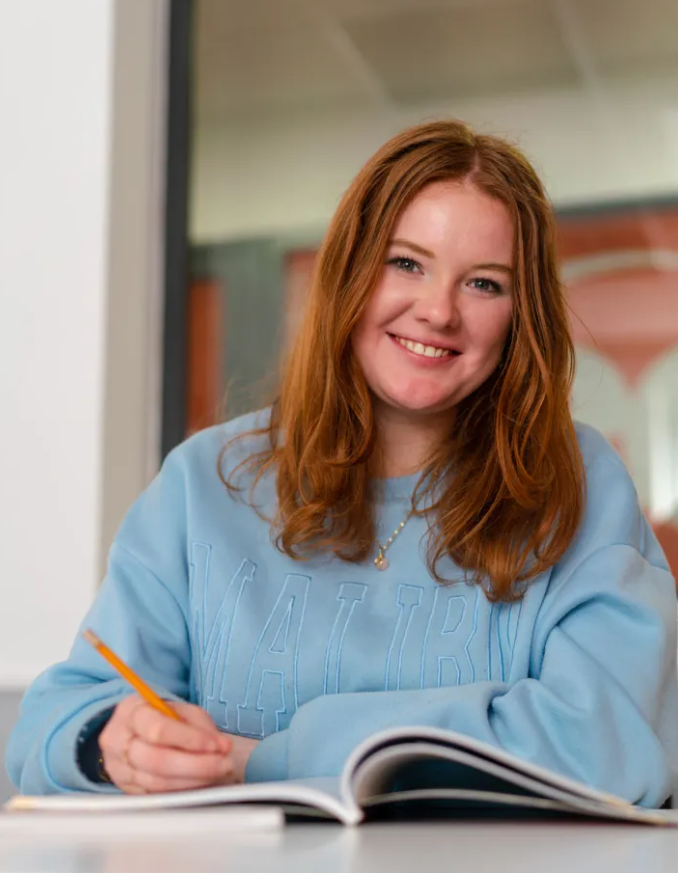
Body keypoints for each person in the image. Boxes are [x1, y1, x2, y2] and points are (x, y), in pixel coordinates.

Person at [7, 120, 678, 806]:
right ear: (349, 273)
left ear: (520, 316)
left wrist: (265, 759)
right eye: (406, 263)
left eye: (483, 283)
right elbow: (46, 732)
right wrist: (113, 745)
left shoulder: (578, 483)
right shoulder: (203, 482)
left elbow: (610, 745)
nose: (438, 311)